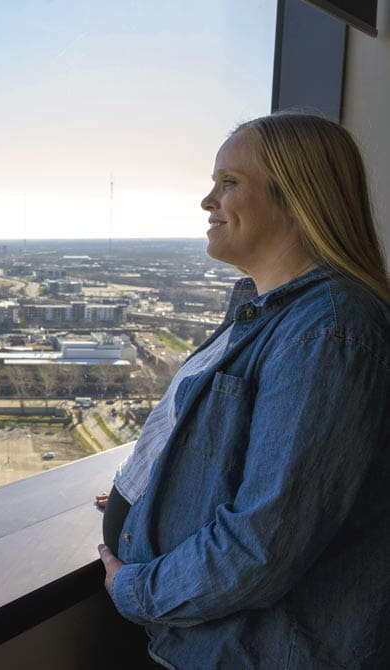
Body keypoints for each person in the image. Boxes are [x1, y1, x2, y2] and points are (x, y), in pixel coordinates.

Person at [96, 112, 390, 668]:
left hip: (251, 650)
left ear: (298, 197)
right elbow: (245, 460)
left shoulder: (328, 331)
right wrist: (158, 491)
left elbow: (265, 542)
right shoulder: (266, 314)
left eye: (229, 183)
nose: (208, 201)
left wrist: (134, 590)